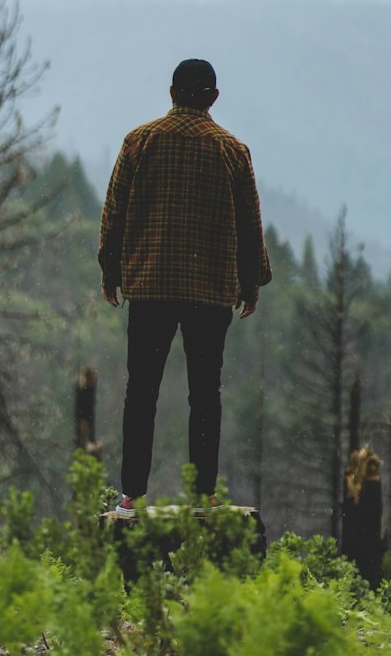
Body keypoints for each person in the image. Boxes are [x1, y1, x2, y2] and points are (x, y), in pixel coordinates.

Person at [98, 58, 272, 513]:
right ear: (213, 98)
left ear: (171, 92)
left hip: (151, 286)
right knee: (205, 394)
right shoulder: (232, 150)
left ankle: (132, 494)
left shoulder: (140, 142)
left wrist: (110, 271)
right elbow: (250, 226)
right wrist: (250, 283)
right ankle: (203, 494)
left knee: (142, 392)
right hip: (210, 292)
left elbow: (113, 212)